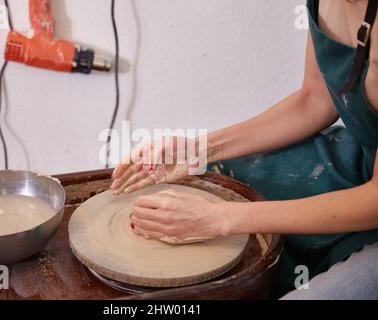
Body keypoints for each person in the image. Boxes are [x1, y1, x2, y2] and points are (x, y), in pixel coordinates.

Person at [110, 0, 378, 299]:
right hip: (365, 160)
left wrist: (219, 218)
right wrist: (199, 149)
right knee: (218, 179)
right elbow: (314, 100)